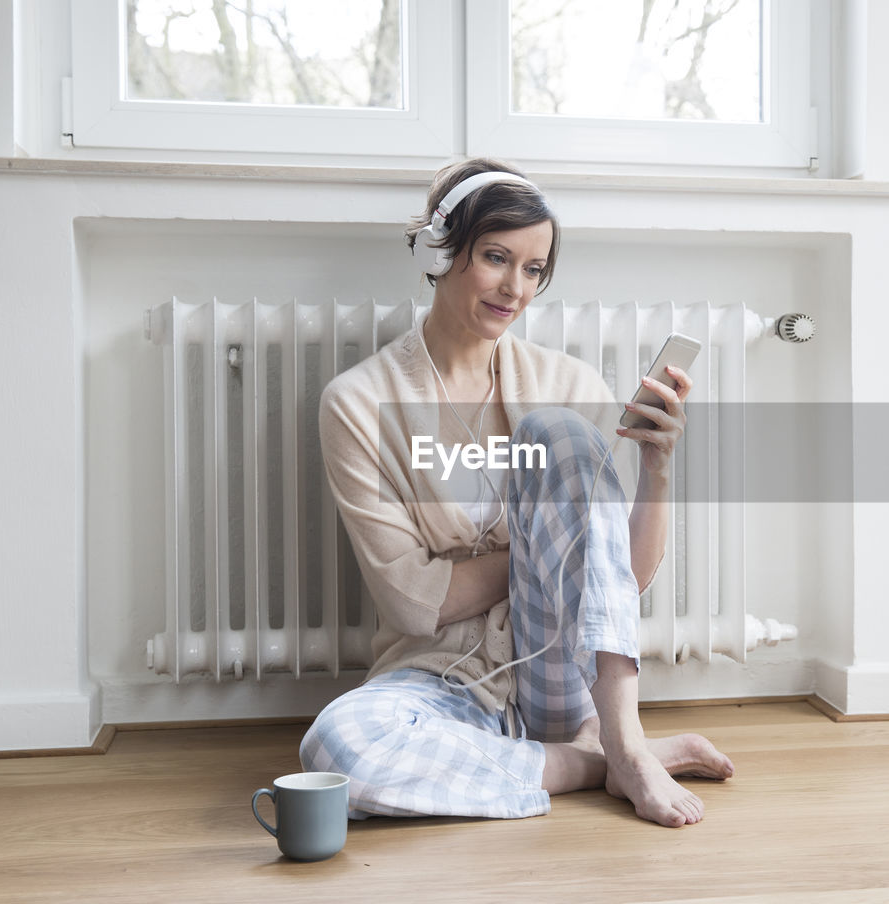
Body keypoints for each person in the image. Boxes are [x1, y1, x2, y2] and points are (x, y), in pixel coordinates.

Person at [299, 157, 734, 828]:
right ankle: (595, 764)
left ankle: (622, 739)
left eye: (533, 269)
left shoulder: (570, 386)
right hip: (439, 680)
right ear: (441, 252)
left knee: (557, 432)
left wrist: (657, 468)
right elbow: (414, 601)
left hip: (563, 679)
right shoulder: (357, 403)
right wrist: (555, 549)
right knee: (336, 746)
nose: (515, 288)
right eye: (497, 258)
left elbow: (627, 579)